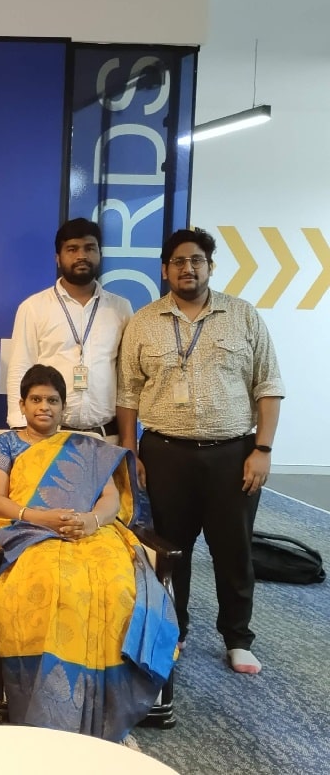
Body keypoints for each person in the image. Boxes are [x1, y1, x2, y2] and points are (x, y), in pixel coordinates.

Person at [0, 364, 178, 741]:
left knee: (117, 586)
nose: (44, 407)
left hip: (92, 533)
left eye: (53, 400)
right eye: (36, 399)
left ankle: (107, 707)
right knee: (55, 584)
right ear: (22, 405)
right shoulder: (5, 444)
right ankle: (54, 704)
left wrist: (90, 521)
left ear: (63, 407)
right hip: (29, 532)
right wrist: (42, 518)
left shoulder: (86, 447)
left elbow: (109, 500)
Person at [117, 228, 283, 675]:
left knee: (233, 549)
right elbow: (127, 393)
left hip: (233, 454)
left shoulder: (243, 316)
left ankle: (237, 637)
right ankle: (176, 628)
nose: (187, 268)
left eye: (196, 260)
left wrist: (263, 449)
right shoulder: (144, 321)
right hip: (165, 453)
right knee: (171, 549)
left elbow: (268, 386)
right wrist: (131, 452)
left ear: (210, 266)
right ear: (164, 269)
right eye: (178, 261)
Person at [4, 218, 133, 438]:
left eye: (89, 248)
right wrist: (20, 430)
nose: (81, 256)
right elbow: (20, 369)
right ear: (57, 258)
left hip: (107, 437)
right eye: (72, 249)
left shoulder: (121, 308)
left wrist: (129, 440)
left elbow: (128, 379)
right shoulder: (33, 307)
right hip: (50, 437)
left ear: (100, 254)